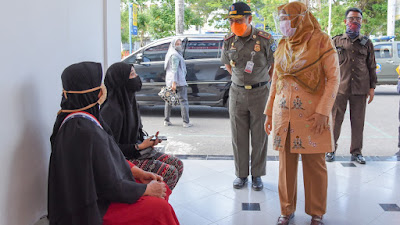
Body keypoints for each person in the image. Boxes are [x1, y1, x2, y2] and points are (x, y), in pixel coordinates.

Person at [48, 62, 179, 225]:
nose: (103, 89)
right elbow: (107, 183)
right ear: (92, 92)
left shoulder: (85, 117)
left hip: (101, 189)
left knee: (161, 190)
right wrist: (144, 190)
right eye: (99, 85)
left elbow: (109, 156)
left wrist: (137, 172)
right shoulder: (82, 130)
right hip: (90, 205)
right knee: (160, 208)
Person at [264, 2, 340, 225]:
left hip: (312, 116)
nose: (283, 23)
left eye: (286, 18)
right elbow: (275, 81)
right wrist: (269, 113)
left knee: (315, 165)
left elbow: (334, 78)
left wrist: (323, 111)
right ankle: (286, 210)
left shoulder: (321, 41)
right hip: (283, 116)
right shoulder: (283, 45)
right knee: (285, 166)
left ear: (299, 18)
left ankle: (317, 212)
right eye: (282, 18)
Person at [101, 62, 183, 190]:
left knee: (178, 164)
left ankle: (160, 201)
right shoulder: (110, 111)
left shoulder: (131, 101)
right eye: (132, 74)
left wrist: (147, 142)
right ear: (121, 80)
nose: (137, 77)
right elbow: (109, 149)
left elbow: (135, 133)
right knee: (170, 172)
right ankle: (156, 202)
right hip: (121, 161)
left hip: (136, 152)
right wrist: (138, 146)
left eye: (135, 73)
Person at [221, 1, 275, 191]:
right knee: (238, 136)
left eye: (239, 19)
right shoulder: (229, 40)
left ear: (249, 19)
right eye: (232, 20)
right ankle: (241, 175)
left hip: (261, 93)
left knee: (260, 136)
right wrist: (240, 80)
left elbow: (273, 65)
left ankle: (257, 175)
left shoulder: (265, 39)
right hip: (237, 93)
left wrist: (263, 81)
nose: (235, 23)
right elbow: (228, 64)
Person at [326, 7, 377, 164]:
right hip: (340, 88)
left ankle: (356, 152)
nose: (354, 22)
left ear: (361, 21)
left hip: (360, 88)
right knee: (335, 120)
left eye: (358, 19)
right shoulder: (336, 41)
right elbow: (328, 65)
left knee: (358, 121)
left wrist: (372, 88)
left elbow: (371, 66)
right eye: (351, 19)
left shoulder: (367, 43)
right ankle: (330, 149)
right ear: (345, 21)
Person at [164, 38, 192, 128]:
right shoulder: (175, 55)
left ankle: (166, 120)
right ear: (173, 45)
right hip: (178, 81)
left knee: (168, 101)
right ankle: (186, 122)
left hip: (171, 81)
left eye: (180, 43)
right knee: (183, 101)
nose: (179, 45)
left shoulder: (171, 54)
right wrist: (174, 83)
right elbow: (174, 70)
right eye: (177, 44)